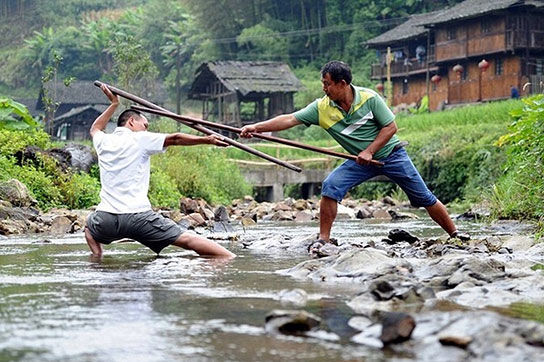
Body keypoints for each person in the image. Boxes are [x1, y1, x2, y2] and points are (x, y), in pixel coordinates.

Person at [240, 61, 469, 247]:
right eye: (323, 84)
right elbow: (290, 118)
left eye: (327, 84)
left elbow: (391, 128)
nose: (324, 89)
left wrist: (370, 151)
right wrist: (256, 127)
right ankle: (324, 239)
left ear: (342, 83)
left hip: (392, 155)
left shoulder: (370, 99)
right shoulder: (322, 107)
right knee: (330, 186)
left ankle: (455, 235)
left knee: (424, 197)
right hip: (359, 161)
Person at [85, 85, 235, 258]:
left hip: (106, 219)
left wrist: (114, 104)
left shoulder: (104, 141)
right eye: (145, 125)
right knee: (188, 240)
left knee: (89, 227)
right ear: (132, 122)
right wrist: (207, 139)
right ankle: (230, 259)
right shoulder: (140, 138)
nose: (146, 129)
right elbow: (176, 138)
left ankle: (97, 260)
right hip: (138, 217)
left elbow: (95, 128)